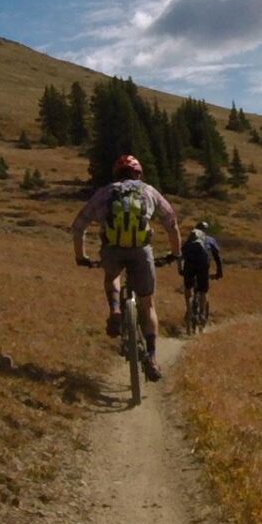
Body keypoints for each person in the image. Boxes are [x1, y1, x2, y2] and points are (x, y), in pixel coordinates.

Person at [70, 155, 179, 381]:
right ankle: (151, 356)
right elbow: (171, 223)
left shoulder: (104, 193)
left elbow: (78, 226)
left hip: (112, 249)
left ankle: (116, 310)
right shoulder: (149, 191)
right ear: (138, 173)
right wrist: (175, 253)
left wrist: (81, 256)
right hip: (141, 251)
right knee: (147, 303)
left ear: (116, 174)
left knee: (112, 276)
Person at [178, 218, 223, 314]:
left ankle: (188, 308)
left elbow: (181, 254)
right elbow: (217, 257)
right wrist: (219, 272)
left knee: (188, 287)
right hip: (203, 265)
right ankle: (202, 313)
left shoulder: (190, 241)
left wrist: (181, 269)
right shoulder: (210, 240)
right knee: (203, 290)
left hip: (189, 264)